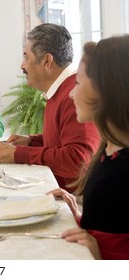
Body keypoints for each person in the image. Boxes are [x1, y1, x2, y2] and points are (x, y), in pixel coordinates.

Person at [48, 36, 129, 260]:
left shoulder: (123, 171)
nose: (72, 94)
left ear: (105, 90)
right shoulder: (108, 152)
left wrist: (99, 257)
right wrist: (80, 218)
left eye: (78, 83)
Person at [0, 23, 99, 191]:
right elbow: (63, 139)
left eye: (26, 57)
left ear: (47, 61)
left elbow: (78, 160)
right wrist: (32, 141)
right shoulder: (62, 89)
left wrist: (18, 154)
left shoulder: (74, 95)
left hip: (75, 202)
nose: (22, 65)